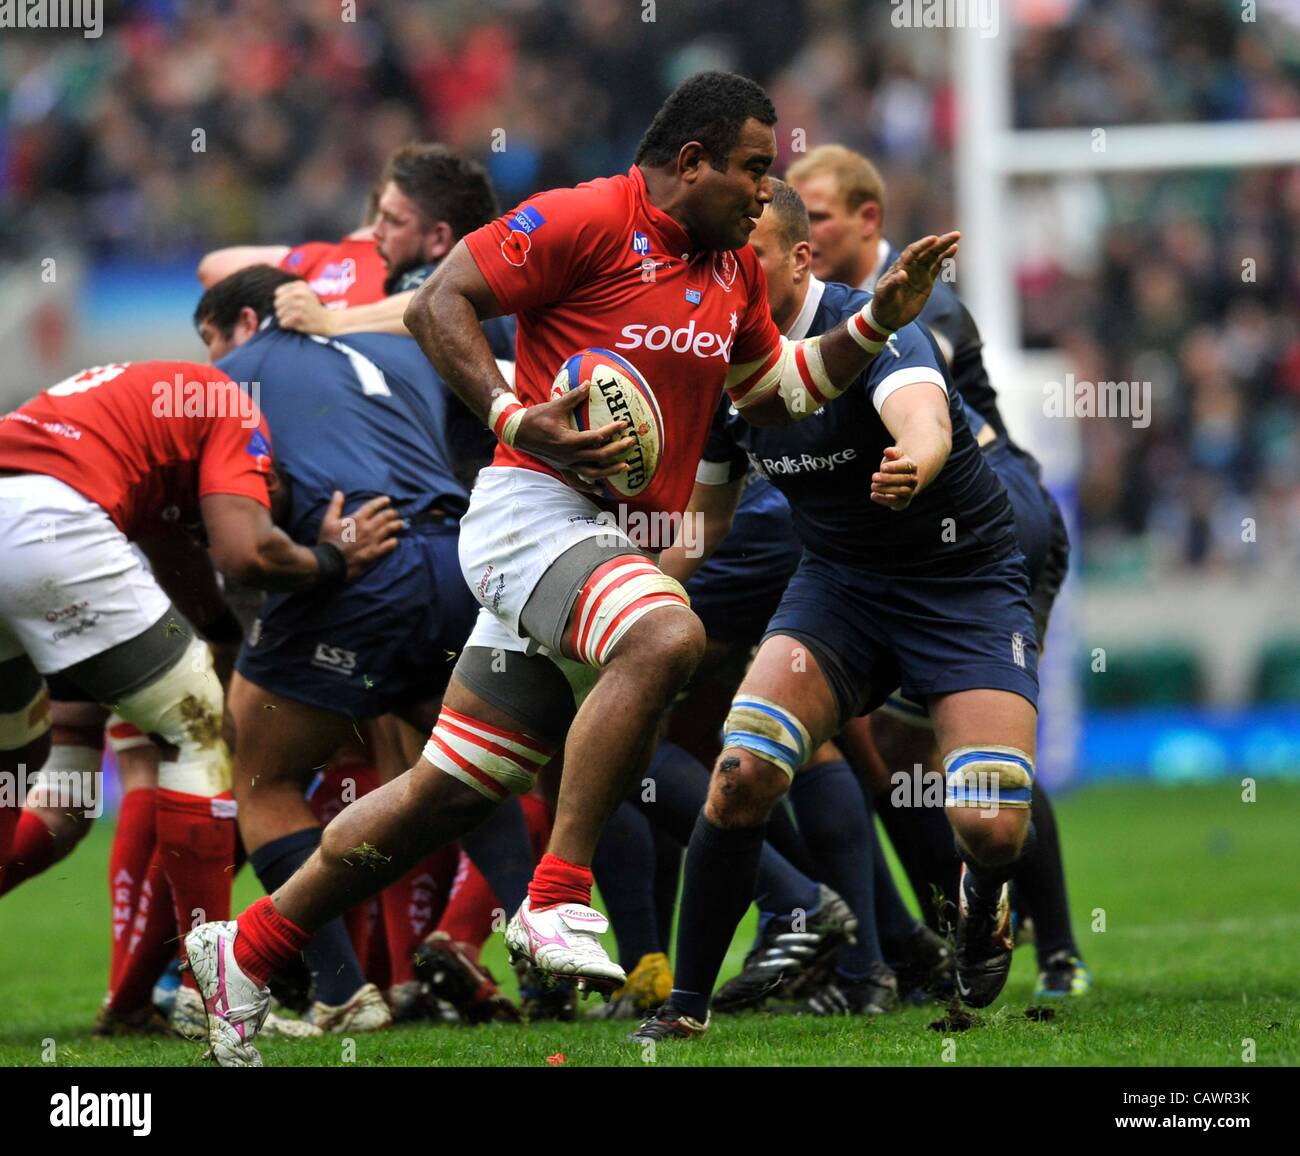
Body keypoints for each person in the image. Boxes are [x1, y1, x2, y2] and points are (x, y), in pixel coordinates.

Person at [183, 70, 956, 1067]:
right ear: (692, 163)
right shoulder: (587, 217)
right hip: (528, 515)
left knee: (447, 791)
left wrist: (874, 322)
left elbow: (774, 390)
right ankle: (553, 899)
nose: (766, 193)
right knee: (666, 632)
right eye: (754, 170)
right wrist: (512, 416)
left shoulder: (725, 269)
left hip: (607, 538)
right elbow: (438, 305)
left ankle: (245, 952)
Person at [634, 180, 1035, 1041]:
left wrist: (914, 465)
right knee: (741, 775)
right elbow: (703, 524)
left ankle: (984, 900)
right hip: (841, 587)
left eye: (747, 259)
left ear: (800, 259)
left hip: (960, 586)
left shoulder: (872, 323)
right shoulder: (724, 359)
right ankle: (686, 1011)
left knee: (992, 825)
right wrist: (637, 594)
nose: (723, 277)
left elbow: (923, 419)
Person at [0, 358, 399, 1015]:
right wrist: (330, 559)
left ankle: (138, 999)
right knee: (201, 728)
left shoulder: (148, 410)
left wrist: (220, 632)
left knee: (25, 769)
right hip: (51, 525)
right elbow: (245, 550)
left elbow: (169, 546)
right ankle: (210, 994)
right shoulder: (233, 407)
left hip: (35, 519)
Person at [787, 145, 1090, 999]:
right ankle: (962, 930)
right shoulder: (834, 315)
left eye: (817, 217)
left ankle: (1049, 945)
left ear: (867, 220)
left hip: (1003, 523)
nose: (801, 236)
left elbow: (915, 425)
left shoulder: (925, 309)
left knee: (981, 733)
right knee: (903, 745)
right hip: (935, 536)